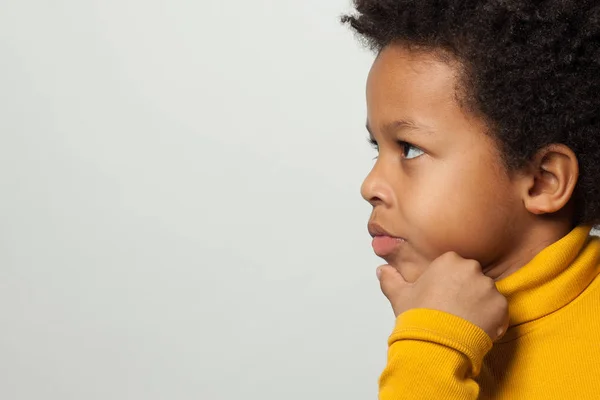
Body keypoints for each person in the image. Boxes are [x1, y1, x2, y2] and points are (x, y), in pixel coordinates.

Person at [341, 1, 600, 399]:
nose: (370, 184)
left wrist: (433, 343)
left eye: (409, 149)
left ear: (543, 181)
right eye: (378, 148)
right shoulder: (437, 322)